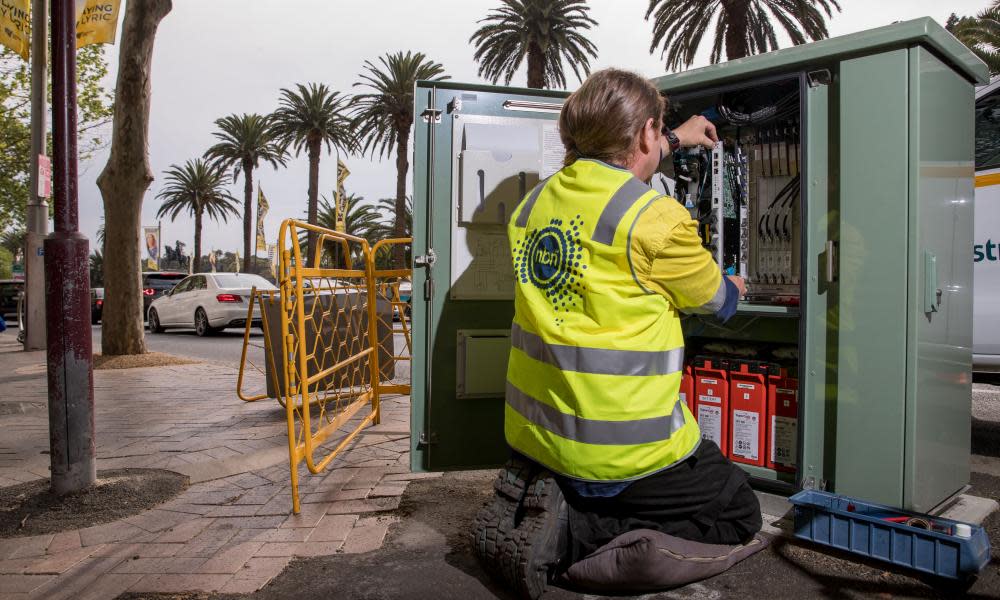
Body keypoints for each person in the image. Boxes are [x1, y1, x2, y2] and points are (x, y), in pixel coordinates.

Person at [477, 68, 761, 598]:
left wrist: (674, 137)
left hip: (539, 437)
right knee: (740, 513)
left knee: (609, 485)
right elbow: (716, 302)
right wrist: (736, 284)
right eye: (658, 131)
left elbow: (610, 169)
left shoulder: (530, 207)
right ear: (646, 134)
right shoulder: (657, 218)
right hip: (623, 453)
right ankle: (574, 534)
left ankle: (564, 502)